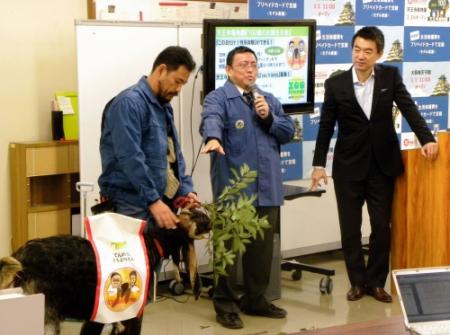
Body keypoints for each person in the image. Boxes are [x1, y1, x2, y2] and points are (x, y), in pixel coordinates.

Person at [310, 26, 439, 303]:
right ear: (351, 50)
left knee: (381, 227)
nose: (361, 56)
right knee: (350, 228)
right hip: (348, 167)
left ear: (378, 54)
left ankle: (376, 282)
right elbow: (325, 126)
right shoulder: (336, 84)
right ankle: (357, 282)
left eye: (368, 51)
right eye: (357, 49)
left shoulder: (390, 77)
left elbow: (409, 108)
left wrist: (426, 138)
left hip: (382, 165)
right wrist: (318, 163)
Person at [81, 46, 199, 335]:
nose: (179, 89)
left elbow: (174, 155)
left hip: (152, 203)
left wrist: (186, 189)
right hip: (127, 206)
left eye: (183, 83)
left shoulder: (163, 107)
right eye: (178, 81)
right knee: (120, 284)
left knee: (137, 287)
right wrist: (154, 201)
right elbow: (130, 157)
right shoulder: (128, 104)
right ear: (161, 71)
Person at [200, 46, 295, 329]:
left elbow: (288, 132)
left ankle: (255, 299)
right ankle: (226, 304)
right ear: (229, 70)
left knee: (261, 251)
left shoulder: (268, 99)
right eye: (243, 65)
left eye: (254, 64)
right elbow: (210, 120)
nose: (250, 70)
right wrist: (214, 138)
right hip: (234, 192)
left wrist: (268, 117)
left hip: (267, 189)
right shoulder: (218, 98)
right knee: (228, 252)